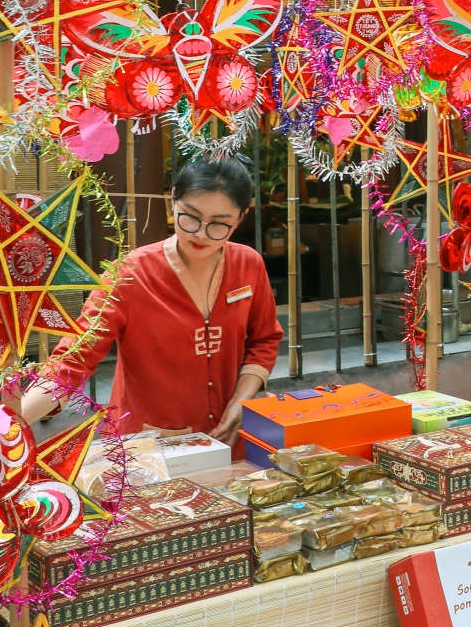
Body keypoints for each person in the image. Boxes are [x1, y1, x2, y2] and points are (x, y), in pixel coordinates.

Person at [17, 157, 283, 441]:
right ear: (173, 200)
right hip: (147, 446)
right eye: (190, 217)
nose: (201, 234)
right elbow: (73, 361)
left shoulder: (248, 264)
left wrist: (242, 400)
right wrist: (9, 422)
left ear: (241, 217)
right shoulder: (130, 274)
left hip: (227, 437)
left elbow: (264, 340)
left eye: (220, 224)